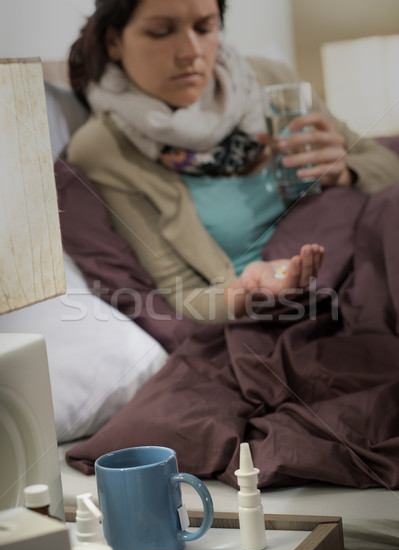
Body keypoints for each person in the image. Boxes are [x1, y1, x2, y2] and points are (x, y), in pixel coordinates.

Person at [66, 0, 399, 323]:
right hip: (294, 311)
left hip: (369, 257)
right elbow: (183, 294)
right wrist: (251, 290)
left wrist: (345, 173)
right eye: (161, 32)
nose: (191, 51)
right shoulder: (104, 148)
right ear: (113, 42)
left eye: (205, 27)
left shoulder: (269, 80)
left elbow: (388, 169)